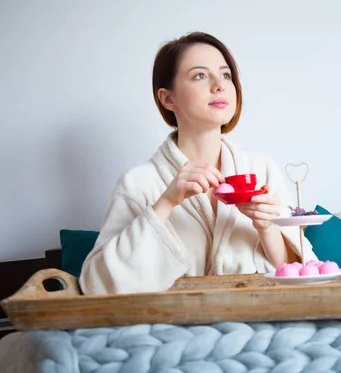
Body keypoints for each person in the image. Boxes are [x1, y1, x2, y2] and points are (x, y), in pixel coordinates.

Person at [80, 32, 317, 295]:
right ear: (168, 99)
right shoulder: (139, 183)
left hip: (260, 320)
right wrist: (166, 202)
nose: (219, 85)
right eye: (200, 76)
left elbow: (302, 274)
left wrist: (266, 227)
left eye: (226, 75)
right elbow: (97, 286)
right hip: (173, 326)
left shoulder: (261, 170)